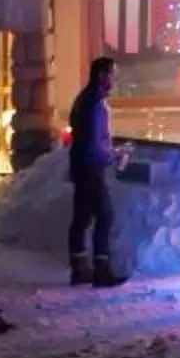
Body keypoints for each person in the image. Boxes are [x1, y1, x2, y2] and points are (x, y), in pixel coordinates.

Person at [65, 56, 127, 287]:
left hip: (81, 164)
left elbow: (87, 137)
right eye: (112, 74)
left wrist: (110, 151)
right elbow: (94, 141)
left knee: (82, 216)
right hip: (91, 166)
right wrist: (113, 155)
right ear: (101, 75)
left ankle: (79, 267)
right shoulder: (95, 105)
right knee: (105, 214)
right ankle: (102, 268)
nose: (115, 79)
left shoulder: (85, 99)